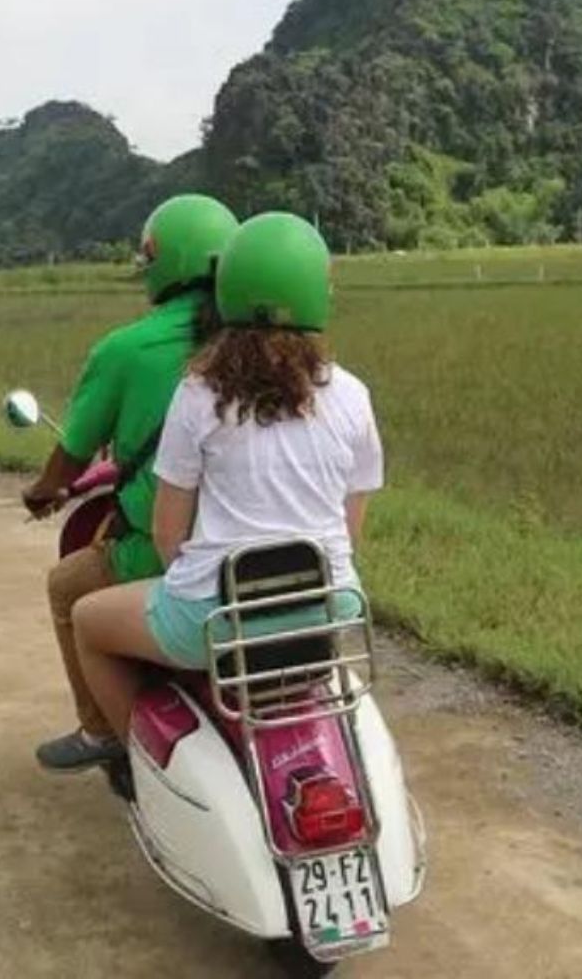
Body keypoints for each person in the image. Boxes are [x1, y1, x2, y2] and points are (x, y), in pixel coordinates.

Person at [69, 211, 379, 756]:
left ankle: (140, 763)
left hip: (214, 619)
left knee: (87, 620)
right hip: (329, 607)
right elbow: (351, 533)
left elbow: (169, 537)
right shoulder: (352, 395)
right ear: (318, 296)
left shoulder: (199, 392)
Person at [19, 194, 239, 772]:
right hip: (275, 551)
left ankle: (103, 734)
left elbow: (72, 452)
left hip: (178, 557)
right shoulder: (266, 349)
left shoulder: (126, 350)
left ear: (161, 267)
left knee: (69, 585)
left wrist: (45, 489)